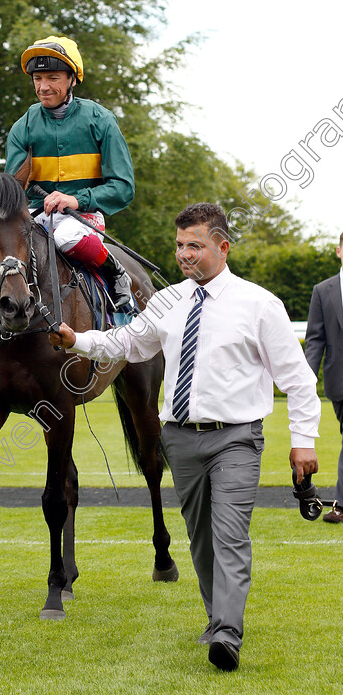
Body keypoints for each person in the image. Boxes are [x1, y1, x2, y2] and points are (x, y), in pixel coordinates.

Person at [49, 202, 320, 672]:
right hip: (179, 439)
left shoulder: (260, 305)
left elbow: (297, 380)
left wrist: (304, 440)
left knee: (229, 535)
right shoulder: (167, 302)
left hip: (237, 439)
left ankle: (228, 635)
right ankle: (217, 618)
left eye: (195, 245)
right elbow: (129, 342)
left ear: (223, 246)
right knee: (200, 540)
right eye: (179, 246)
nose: (185, 255)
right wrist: (79, 341)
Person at [5, 35, 135, 310]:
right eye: (38, 79)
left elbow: (123, 188)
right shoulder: (22, 127)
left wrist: (74, 200)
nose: (43, 87)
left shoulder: (101, 120)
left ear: (72, 79)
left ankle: (117, 273)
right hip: (39, 217)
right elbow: (15, 187)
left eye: (52, 78)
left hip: (83, 218)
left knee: (66, 237)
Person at [304, 231, 343, 523]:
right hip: (340, 381)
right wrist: (305, 379)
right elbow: (315, 339)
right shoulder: (323, 290)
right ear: (339, 251)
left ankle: (341, 505)